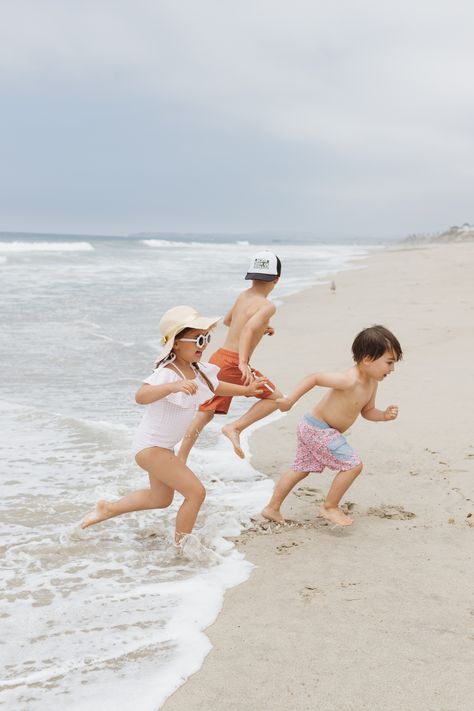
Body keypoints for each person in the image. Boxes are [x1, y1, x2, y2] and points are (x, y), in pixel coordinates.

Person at [81, 305, 266, 545]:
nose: (204, 345)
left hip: (162, 447)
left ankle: (108, 509)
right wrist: (172, 387)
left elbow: (215, 386)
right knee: (196, 493)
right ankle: (182, 547)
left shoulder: (196, 369)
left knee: (160, 499)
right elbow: (141, 396)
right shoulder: (168, 372)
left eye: (206, 338)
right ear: (176, 343)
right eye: (198, 339)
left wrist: (247, 390)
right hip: (150, 447)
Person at [261, 325, 402, 527]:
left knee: (301, 469)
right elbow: (315, 378)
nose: (392, 369)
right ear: (368, 359)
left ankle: (272, 508)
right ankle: (330, 506)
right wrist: (290, 400)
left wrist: (384, 416)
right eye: (389, 362)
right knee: (353, 465)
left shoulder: (372, 383)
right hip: (318, 429)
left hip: (314, 427)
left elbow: (367, 411)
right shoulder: (348, 380)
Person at [178, 251, 283, 463]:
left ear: (251, 276)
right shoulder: (267, 306)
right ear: (276, 279)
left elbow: (229, 321)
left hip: (219, 357)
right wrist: (243, 362)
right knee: (276, 399)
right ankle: (235, 427)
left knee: (205, 413)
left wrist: (261, 327)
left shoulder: (243, 296)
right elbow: (246, 331)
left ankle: (180, 458)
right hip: (234, 362)